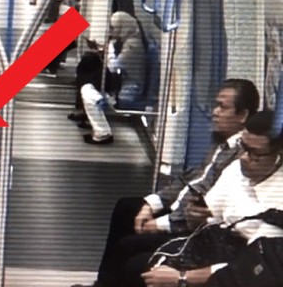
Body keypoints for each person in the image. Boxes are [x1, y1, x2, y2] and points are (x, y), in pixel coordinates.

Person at [72, 79, 260, 287]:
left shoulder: (241, 157)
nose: (215, 112)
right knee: (126, 207)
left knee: (128, 249)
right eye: (215, 105)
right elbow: (190, 178)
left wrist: (162, 224)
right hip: (179, 210)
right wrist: (152, 204)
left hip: (190, 223)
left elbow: (202, 202)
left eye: (222, 107)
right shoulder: (221, 142)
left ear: (242, 115)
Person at [137, 110, 283, 287]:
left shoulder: (278, 204)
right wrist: (195, 216)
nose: (243, 157)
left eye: (254, 154)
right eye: (242, 147)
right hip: (212, 246)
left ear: (278, 156)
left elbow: (250, 267)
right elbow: (204, 221)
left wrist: (182, 278)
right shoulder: (237, 170)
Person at [69, 11, 147, 144]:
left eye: (113, 28)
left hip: (126, 86)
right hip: (120, 79)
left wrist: (108, 48)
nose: (111, 31)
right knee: (88, 64)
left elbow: (113, 66)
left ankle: (101, 130)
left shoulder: (133, 46)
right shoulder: (127, 41)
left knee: (87, 84)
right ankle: (86, 108)